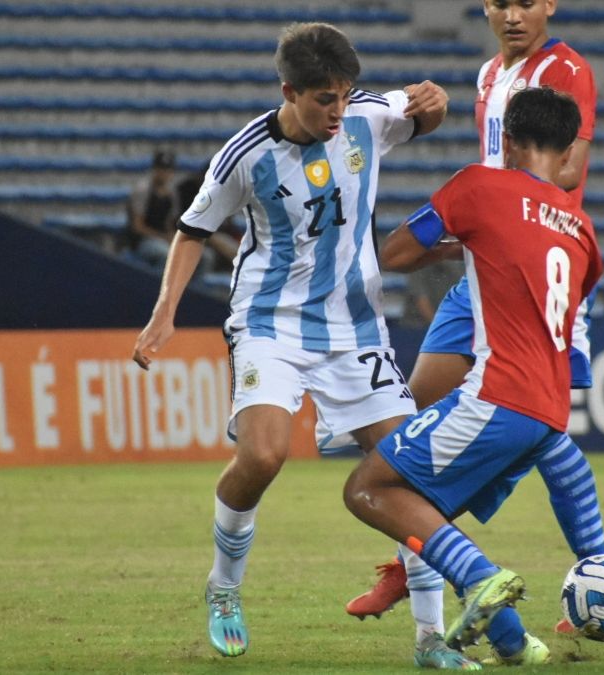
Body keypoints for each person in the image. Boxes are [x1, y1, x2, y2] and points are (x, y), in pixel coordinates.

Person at [128, 23, 468, 668]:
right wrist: (164, 313)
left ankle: (430, 639)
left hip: (354, 327)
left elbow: (423, 113)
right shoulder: (245, 155)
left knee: (406, 468)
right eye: (323, 99)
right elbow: (193, 229)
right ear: (289, 91)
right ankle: (224, 588)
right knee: (263, 454)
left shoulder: (367, 116)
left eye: (344, 95)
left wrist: (436, 105)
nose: (338, 111)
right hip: (270, 322)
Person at [347, 0, 604, 645]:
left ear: (549, 4)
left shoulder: (566, 69)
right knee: (420, 420)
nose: (513, 15)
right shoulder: (489, 74)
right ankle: (422, 558)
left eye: (526, 2)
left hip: (531, 256)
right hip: (486, 258)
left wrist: (497, 208)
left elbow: (568, 168)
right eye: (499, 3)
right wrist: (482, 226)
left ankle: (595, 575)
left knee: (537, 429)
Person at [121, 149, 179, 264]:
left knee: (200, 256)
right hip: (142, 242)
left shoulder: (171, 194)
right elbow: (137, 226)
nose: (164, 173)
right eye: (161, 169)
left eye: (167, 170)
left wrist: (173, 238)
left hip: (162, 239)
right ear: (155, 170)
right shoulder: (143, 190)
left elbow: (169, 224)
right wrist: (162, 237)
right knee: (166, 254)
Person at [399, 261, 465, 330]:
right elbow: (421, 301)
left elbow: (462, 296)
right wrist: (442, 327)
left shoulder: (455, 264)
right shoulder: (418, 265)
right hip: (416, 327)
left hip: (444, 325)